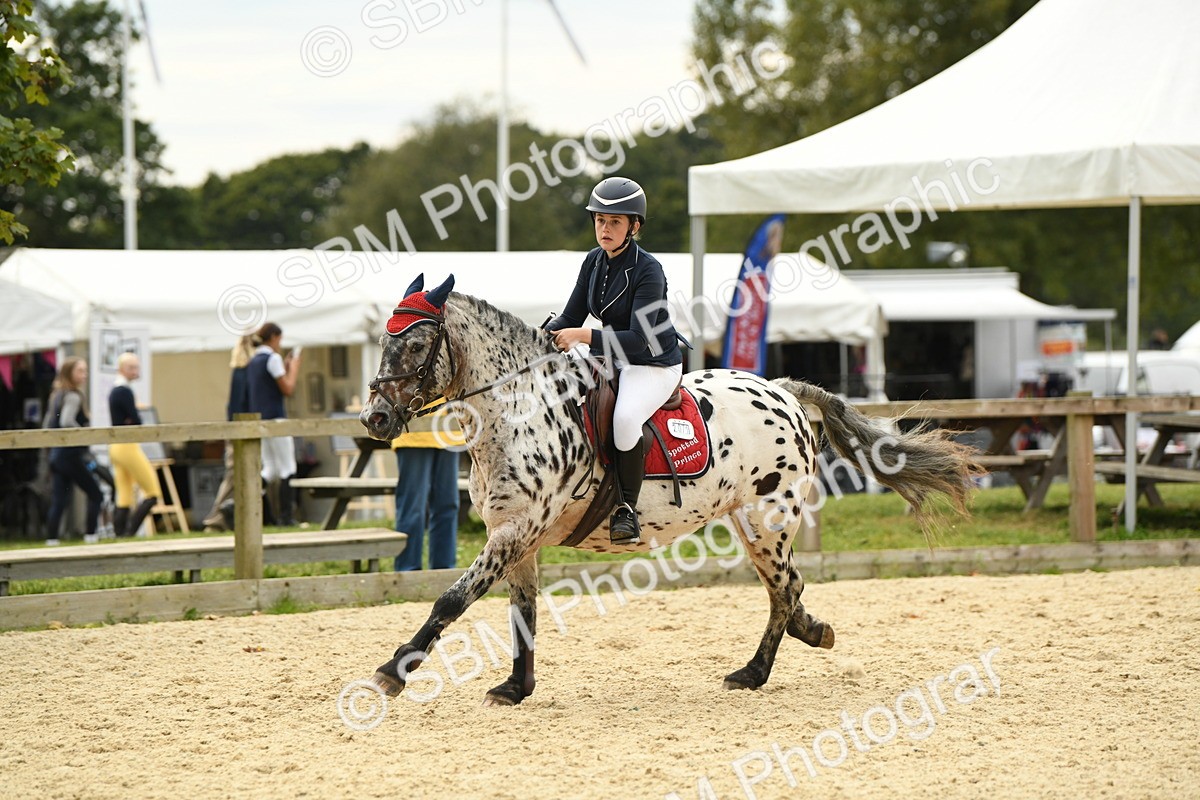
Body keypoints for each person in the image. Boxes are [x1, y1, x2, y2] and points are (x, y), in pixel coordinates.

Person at [545, 176, 687, 545]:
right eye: (600, 221)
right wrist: (536, 337)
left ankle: (626, 508)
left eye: (615, 222)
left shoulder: (649, 270)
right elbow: (570, 316)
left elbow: (639, 340)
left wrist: (583, 336)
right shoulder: (593, 261)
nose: (605, 229)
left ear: (634, 226)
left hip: (652, 362)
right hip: (610, 356)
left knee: (625, 418)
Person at [391, 402, 463, 571]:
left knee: (448, 505)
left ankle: (443, 569)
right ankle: (407, 570)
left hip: (448, 434)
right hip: (413, 436)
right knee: (413, 507)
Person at [42, 357, 104, 545]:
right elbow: (66, 422)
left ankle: (52, 540)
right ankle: (91, 535)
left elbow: (47, 424)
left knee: (60, 500)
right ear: (70, 373)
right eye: (80, 371)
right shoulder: (73, 396)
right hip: (70, 455)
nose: (84, 375)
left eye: (85, 370)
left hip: (57, 456)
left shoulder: (56, 395)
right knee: (96, 494)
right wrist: (86, 433)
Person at [246, 322, 301, 526]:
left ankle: (264, 515)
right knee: (287, 467)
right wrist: (293, 368)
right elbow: (287, 388)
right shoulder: (273, 358)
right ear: (274, 337)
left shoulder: (254, 361)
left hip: (261, 420)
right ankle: (287, 517)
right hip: (276, 419)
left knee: (269, 469)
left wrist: (284, 367)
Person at [201, 334, 257, 531]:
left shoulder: (238, 370)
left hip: (238, 428)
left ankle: (234, 518)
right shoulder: (247, 371)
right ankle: (215, 519)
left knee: (241, 477)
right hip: (242, 429)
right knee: (234, 476)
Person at [107, 352, 162, 537]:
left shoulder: (116, 389)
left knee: (124, 494)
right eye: (131, 367)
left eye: (136, 367)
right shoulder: (124, 390)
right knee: (152, 491)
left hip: (116, 446)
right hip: (127, 446)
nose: (135, 371)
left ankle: (120, 533)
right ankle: (129, 531)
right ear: (122, 369)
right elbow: (136, 419)